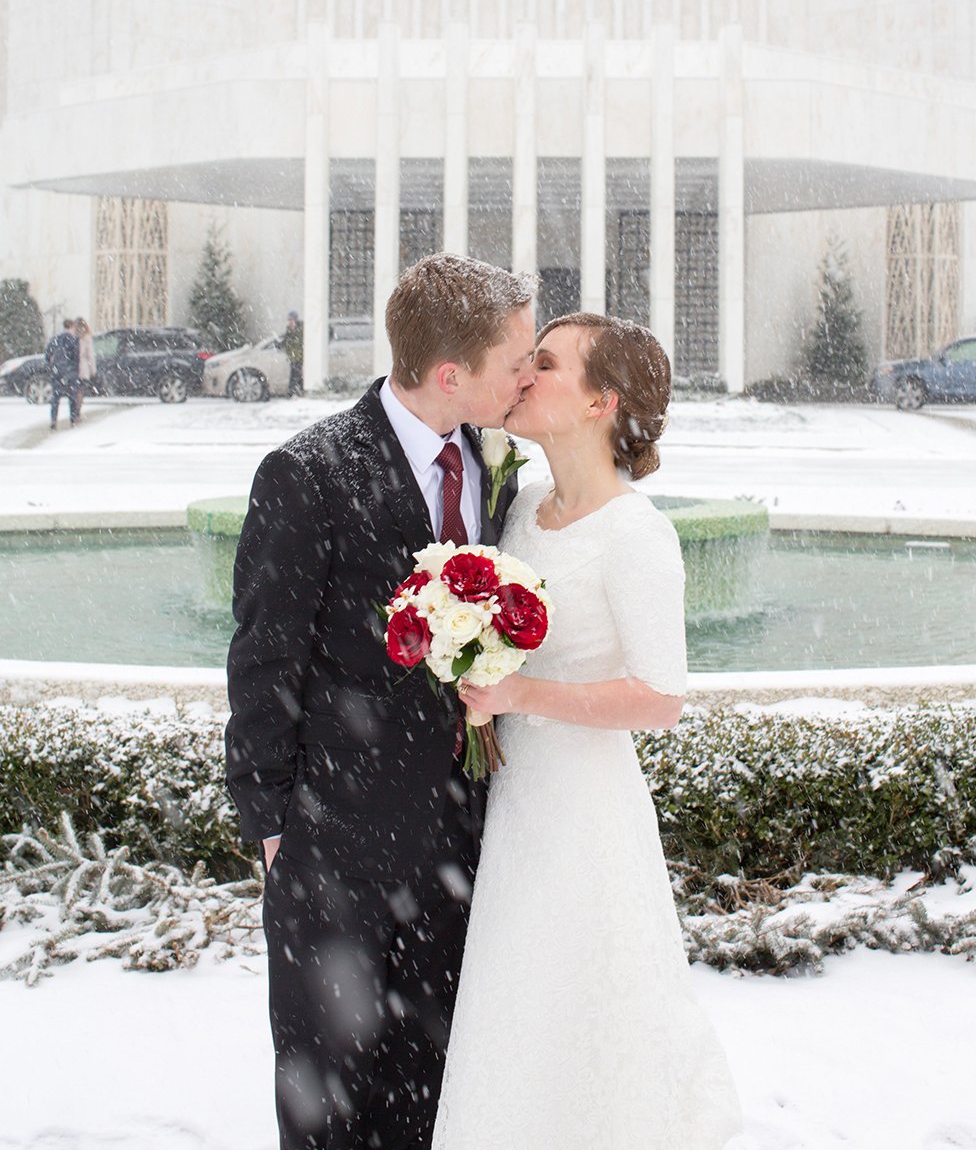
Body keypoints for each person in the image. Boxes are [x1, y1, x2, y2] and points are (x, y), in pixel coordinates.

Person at [225, 253, 536, 1150]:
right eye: (514, 359)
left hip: (464, 845)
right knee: (329, 1105)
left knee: (431, 1095)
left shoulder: (498, 462)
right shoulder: (307, 474)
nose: (527, 374)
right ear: (451, 375)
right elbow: (263, 657)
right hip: (336, 853)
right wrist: (274, 821)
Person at [434, 313, 744, 1150]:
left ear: (602, 401)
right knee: (518, 1001)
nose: (524, 376)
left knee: (586, 1004)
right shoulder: (526, 506)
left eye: (546, 364)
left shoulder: (637, 535)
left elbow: (659, 696)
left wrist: (520, 692)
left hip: (583, 813)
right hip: (516, 803)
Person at [45, 318, 80, 430]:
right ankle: (73, 419)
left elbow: (47, 356)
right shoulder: (74, 340)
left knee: (56, 397)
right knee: (72, 397)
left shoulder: (55, 339)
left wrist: (53, 365)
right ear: (72, 326)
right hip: (70, 371)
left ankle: (53, 419)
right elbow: (76, 356)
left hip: (57, 370)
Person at [73, 317, 96, 424]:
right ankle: (77, 413)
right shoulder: (87, 338)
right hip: (83, 368)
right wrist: (93, 370)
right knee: (80, 391)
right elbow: (90, 355)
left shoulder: (73, 337)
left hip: (73, 368)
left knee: (74, 391)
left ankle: (74, 413)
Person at [283, 309, 304, 396]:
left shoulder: (301, 327)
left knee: (295, 375)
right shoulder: (288, 329)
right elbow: (286, 342)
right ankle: (299, 390)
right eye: (289, 320)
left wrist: (294, 331)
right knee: (296, 375)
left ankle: (291, 392)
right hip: (293, 356)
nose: (290, 322)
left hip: (299, 356)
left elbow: (299, 341)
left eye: (292, 319)